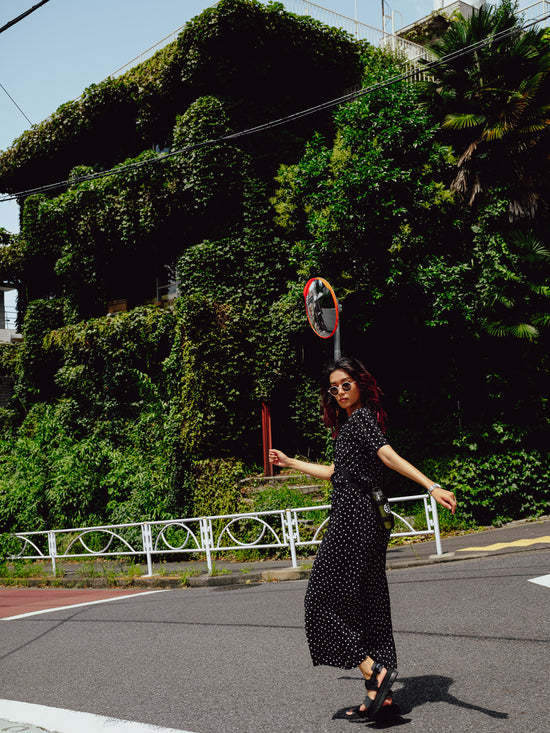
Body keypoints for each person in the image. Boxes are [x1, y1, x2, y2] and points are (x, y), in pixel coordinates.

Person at [269, 356, 457, 721]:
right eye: (334, 388)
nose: (340, 392)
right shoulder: (354, 424)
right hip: (371, 518)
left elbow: (387, 455)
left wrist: (431, 486)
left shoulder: (361, 420)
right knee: (370, 604)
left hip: (353, 519)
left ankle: (373, 671)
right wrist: (291, 463)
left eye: (346, 384)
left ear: (360, 383)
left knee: (319, 601)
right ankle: (380, 698)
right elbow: (335, 472)